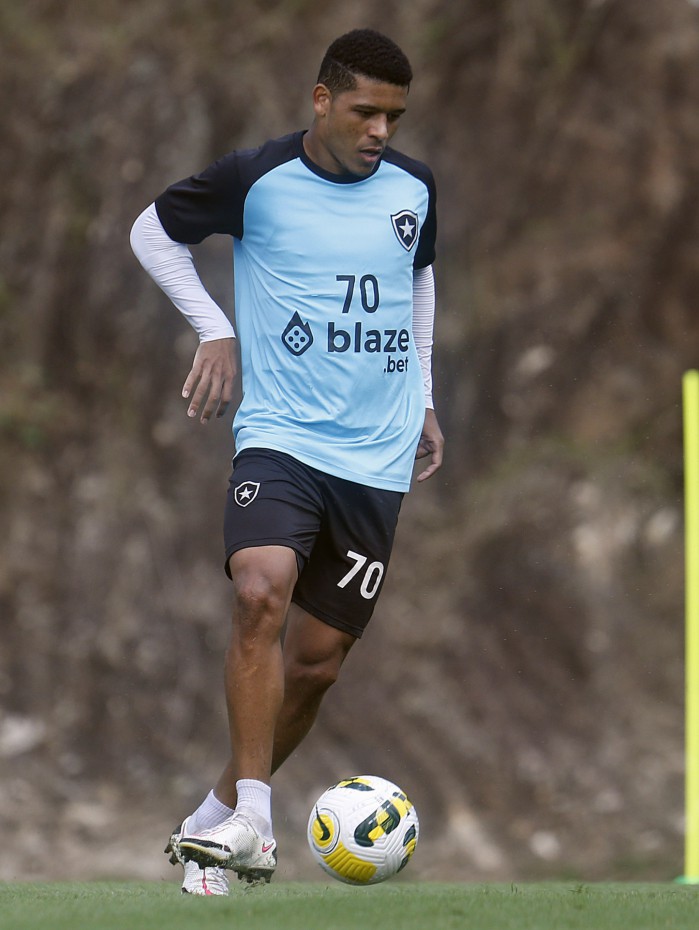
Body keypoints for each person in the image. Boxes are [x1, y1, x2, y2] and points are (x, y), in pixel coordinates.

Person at [130, 27, 444, 896]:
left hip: (375, 457)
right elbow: (151, 233)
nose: (380, 130)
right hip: (282, 436)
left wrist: (423, 395)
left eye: (393, 116)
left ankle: (217, 814)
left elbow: (417, 279)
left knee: (314, 666)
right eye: (365, 111)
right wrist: (215, 328)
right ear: (321, 100)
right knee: (259, 590)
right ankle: (257, 826)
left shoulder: (414, 188)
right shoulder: (255, 178)